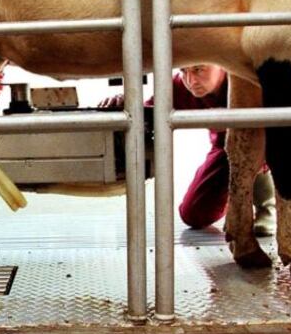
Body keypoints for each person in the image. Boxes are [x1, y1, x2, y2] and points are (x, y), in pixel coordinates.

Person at [100, 65, 276, 236]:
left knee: (260, 140)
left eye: (198, 70)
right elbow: (148, 114)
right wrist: (125, 105)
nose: (191, 81)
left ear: (220, 62)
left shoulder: (248, 78)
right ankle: (235, 198)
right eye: (184, 71)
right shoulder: (179, 86)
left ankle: (267, 207)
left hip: (268, 143)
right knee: (193, 215)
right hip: (224, 149)